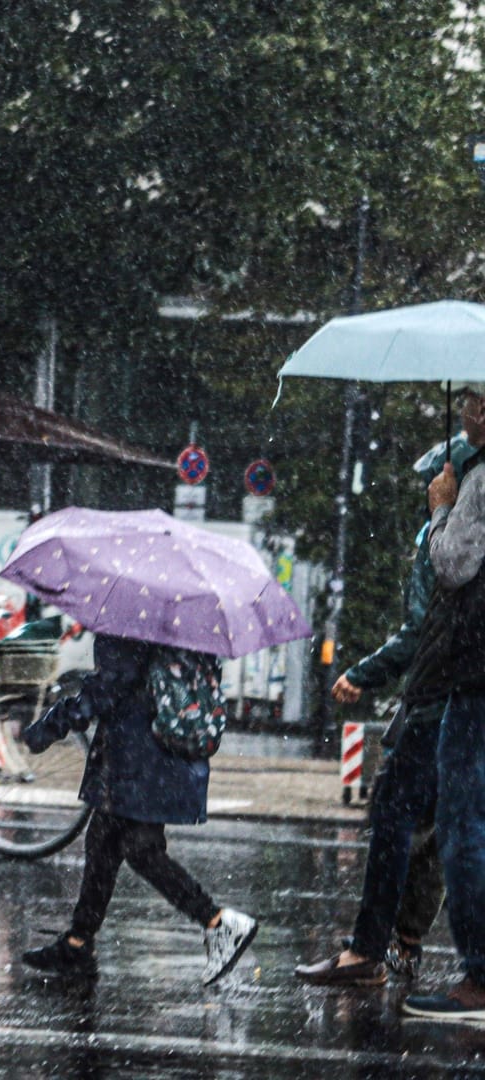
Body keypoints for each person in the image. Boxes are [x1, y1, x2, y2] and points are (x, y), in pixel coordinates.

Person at [294, 428, 479, 987]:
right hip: (466, 696)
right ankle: (406, 943)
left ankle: (369, 950)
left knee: (397, 818)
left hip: (435, 701)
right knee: (445, 827)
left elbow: (422, 626)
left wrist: (364, 673)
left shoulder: (444, 531)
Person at [18, 633, 257, 985]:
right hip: (153, 754)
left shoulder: (130, 626)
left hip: (140, 758)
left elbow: (106, 689)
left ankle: (218, 922)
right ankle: (78, 942)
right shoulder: (170, 622)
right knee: (102, 843)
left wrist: (49, 727)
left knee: (141, 850)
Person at [402, 386, 485, 1022]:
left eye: (480, 403)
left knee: (463, 826)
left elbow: (453, 565)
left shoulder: (479, 480)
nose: (470, 413)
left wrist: (440, 510)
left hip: (478, 676)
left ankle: (479, 977)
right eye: (469, 401)